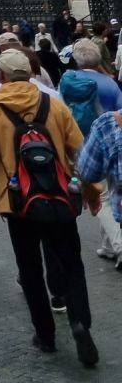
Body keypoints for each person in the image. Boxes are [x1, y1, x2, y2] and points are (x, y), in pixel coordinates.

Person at [0, 46, 97, 367]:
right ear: (29, 73)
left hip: (18, 201)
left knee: (29, 270)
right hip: (58, 196)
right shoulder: (53, 105)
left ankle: (45, 335)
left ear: (0, 75)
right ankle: (80, 321)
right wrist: (91, 188)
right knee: (71, 264)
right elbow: (79, 148)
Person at [78, 108, 122, 270]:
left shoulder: (109, 125)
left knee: (105, 198)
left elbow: (87, 172)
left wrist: (91, 197)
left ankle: (116, 246)